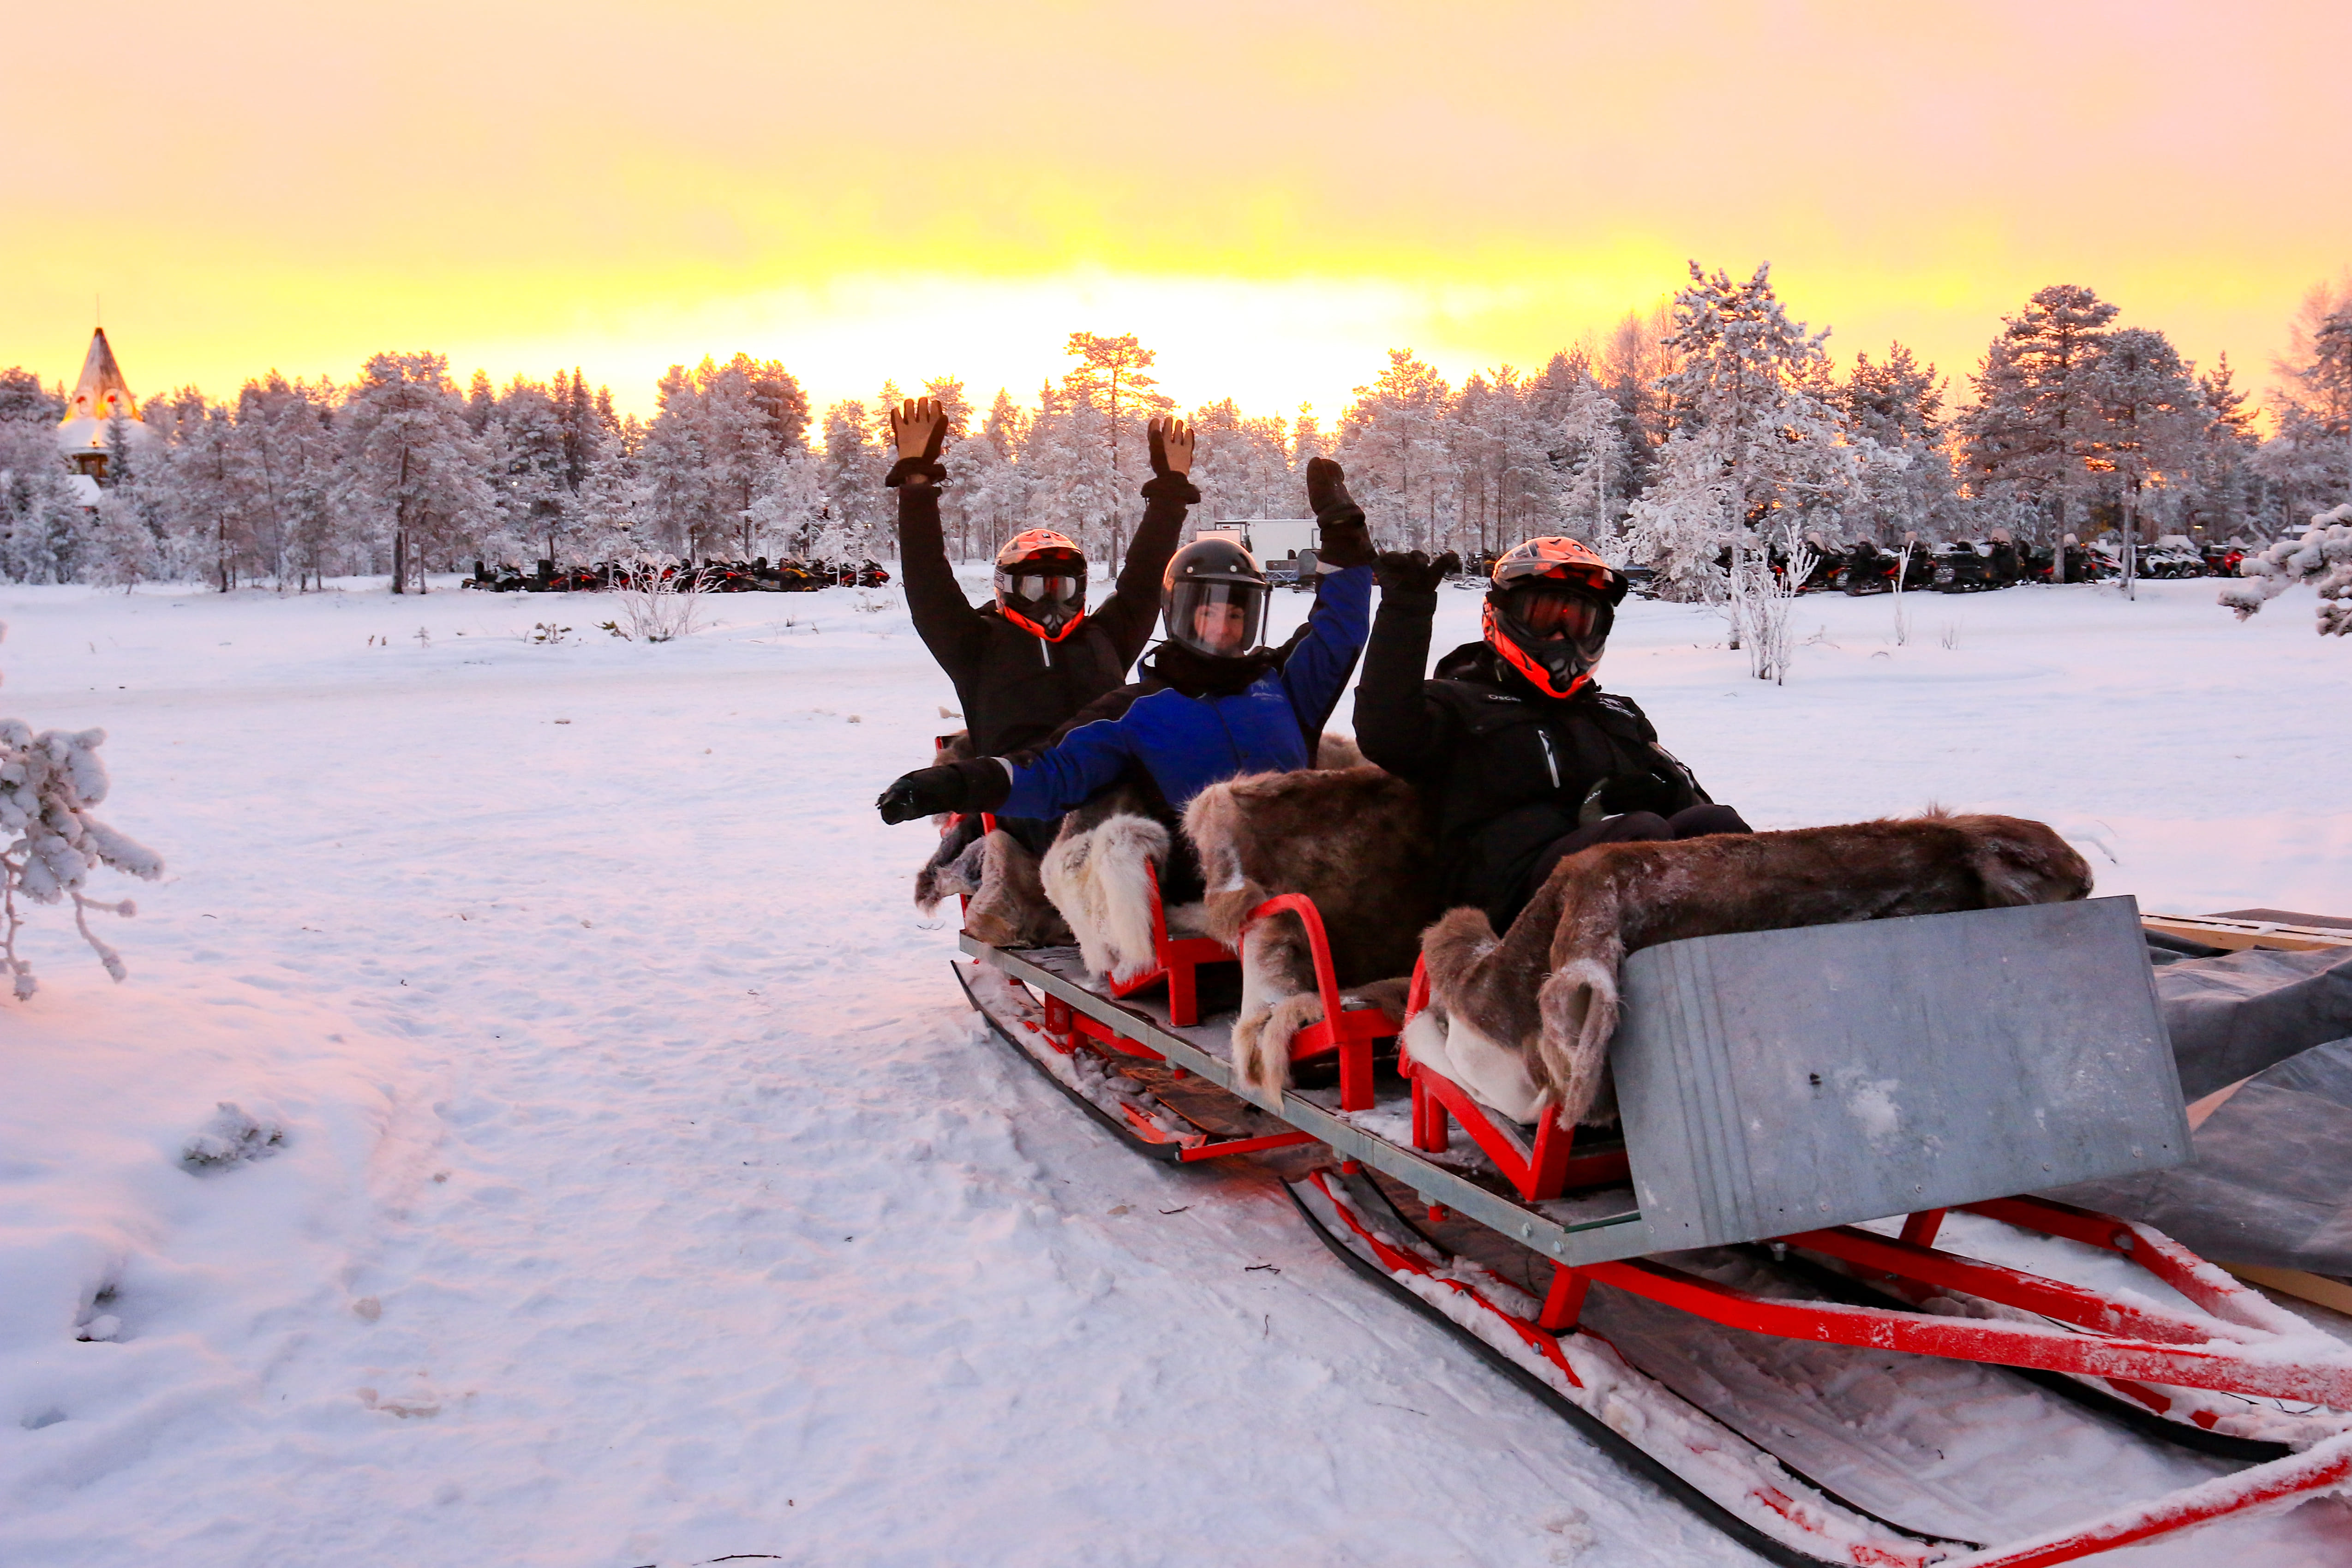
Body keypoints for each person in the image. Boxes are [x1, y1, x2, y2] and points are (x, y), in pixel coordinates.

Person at [875, 460, 1378, 897]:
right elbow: (1052, 772)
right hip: (1199, 876)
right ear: (1179, 615)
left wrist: (1343, 532)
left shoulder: (1279, 684)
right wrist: (953, 784)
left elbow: (1339, 628)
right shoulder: (1133, 709)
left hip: (1309, 867)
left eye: (1237, 612)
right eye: (1207, 612)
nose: (1223, 627)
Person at [1353, 536, 1749, 934]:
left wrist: (1661, 790)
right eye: (1545, 617)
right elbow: (1385, 732)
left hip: (1607, 883)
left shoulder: (1617, 714)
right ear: (1501, 613)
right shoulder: (1456, 704)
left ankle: (1762, 957)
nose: (1561, 636)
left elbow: (1687, 793)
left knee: (1715, 825)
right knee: (1636, 838)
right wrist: (1406, 612)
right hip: (1501, 901)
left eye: (1577, 621)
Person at [888, 395, 1195, 866]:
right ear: (1007, 589)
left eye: (1063, 585)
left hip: (1114, 794)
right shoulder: (976, 644)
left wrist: (1170, 495)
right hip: (1030, 808)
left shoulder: (1104, 637)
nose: (1051, 599)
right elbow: (929, 584)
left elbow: (1144, 577)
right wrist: (916, 480)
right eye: (1035, 586)